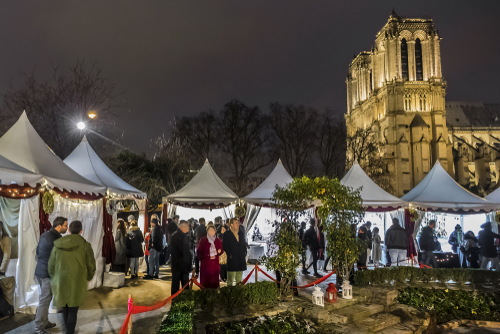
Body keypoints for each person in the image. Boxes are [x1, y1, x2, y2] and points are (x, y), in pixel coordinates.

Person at [48, 220, 95, 334]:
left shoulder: (58, 244)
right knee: (73, 310)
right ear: (81, 231)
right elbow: (91, 264)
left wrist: (54, 277)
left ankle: (67, 331)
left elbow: (51, 265)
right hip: (77, 280)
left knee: (65, 308)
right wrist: (89, 276)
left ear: (68, 230)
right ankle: (70, 332)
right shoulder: (85, 245)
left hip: (61, 281)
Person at [33, 217, 68, 334]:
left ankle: (45, 322)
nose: (67, 228)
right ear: (59, 226)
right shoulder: (58, 239)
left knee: (44, 300)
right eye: (65, 225)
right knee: (44, 301)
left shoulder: (44, 235)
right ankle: (38, 327)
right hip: (48, 275)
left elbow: (37, 252)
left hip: (39, 272)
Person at [197, 223, 223, 288]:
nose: (212, 231)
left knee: (214, 283)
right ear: (207, 231)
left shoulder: (217, 240)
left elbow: (221, 249)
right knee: (206, 283)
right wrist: (202, 258)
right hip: (206, 265)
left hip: (215, 265)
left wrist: (219, 251)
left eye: (213, 230)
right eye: (210, 230)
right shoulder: (203, 240)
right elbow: (199, 251)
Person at [223, 218, 247, 285]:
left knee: (239, 280)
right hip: (232, 259)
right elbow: (225, 246)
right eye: (236, 223)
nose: (238, 224)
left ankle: (238, 294)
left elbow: (244, 244)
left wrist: (245, 253)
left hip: (240, 259)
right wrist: (230, 254)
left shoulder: (241, 233)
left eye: (238, 223)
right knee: (230, 280)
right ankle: (230, 294)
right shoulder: (227, 234)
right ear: (231, 224)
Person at [170, 220, 192, 295]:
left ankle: (186, 302)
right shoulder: (175, 236)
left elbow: (188, 251)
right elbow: (174, 252)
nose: (189, 229)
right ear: (182, 227)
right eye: (187, 227)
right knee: (175, 286)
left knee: (185, 286)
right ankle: (175, 301)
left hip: (185, 267)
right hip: (177, 266)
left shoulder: (186, 236)